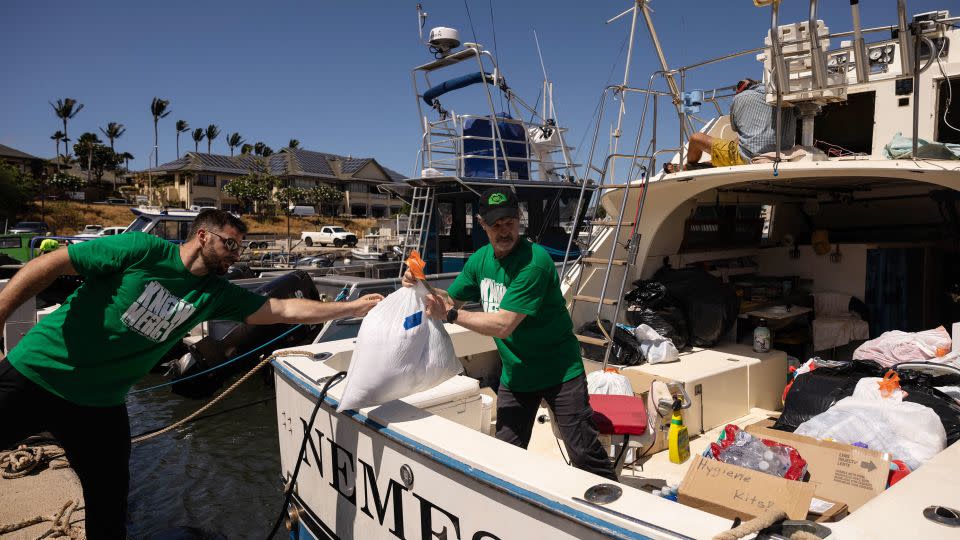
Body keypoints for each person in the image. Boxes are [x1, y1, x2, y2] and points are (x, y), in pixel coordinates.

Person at [0, 209, 382, 539]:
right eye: (231, 244)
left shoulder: (215, 293)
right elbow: (48, 264)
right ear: (203, 235)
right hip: (37, 374)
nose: (237, 254)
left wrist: (349, 309)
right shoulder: (143, 250)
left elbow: (283, 309)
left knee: (109, 506)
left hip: (100, 405)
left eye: (241, 247)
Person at [402, 188, 617, 482]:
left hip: (560, 373)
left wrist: (450, 315)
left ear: (519, 220)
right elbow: (450, 300)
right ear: (482, 224)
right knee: (506, 452)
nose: (504, 231)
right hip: (516, 376)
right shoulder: (480, 260)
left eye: (510, 223)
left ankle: (614, 504)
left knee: (583, 452)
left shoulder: (535, 262)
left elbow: (503, 324)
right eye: (496, 225)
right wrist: (421, 286)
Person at [665, 78, 797, 172]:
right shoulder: (783, 94)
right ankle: (709, 163)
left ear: (741, 89)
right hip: (783, 153)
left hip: (749, 157)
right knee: (737, 142)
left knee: (695, 139)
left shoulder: (740, 98)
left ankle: (689, 167)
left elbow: (735, 128)